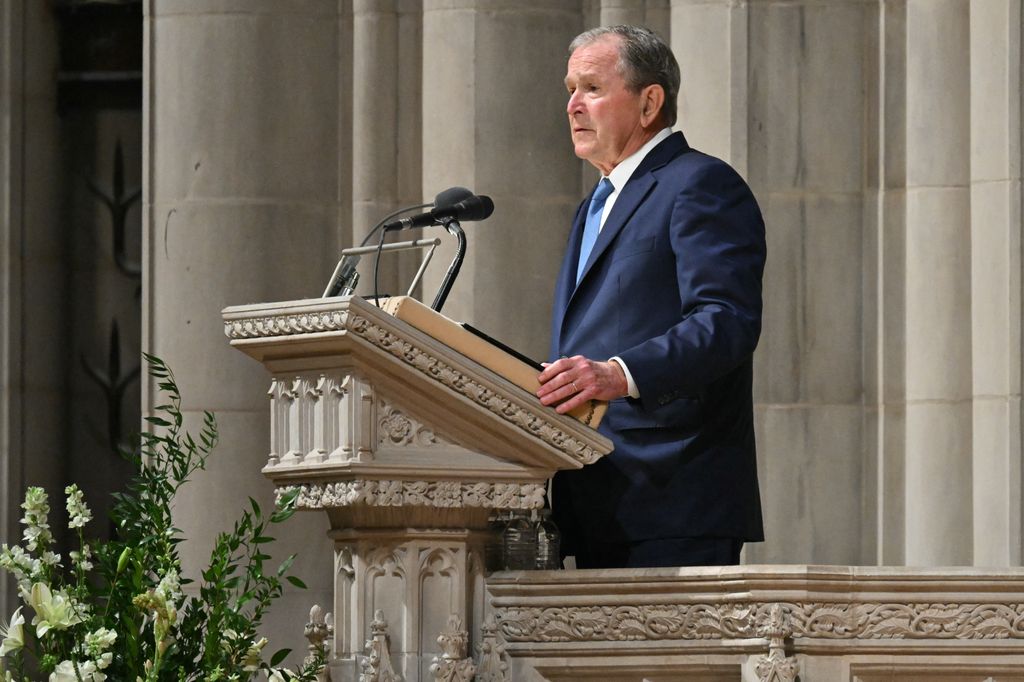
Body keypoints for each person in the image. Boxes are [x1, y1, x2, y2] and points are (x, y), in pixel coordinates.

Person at [536, 25, 766, 569]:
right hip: (593, 491)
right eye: (570, 89)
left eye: (591, 88)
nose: (572, 105)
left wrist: (618, 374)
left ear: (649, 103)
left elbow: (727, 320)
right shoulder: (594, 203)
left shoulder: (700, 184)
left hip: (671, 496)